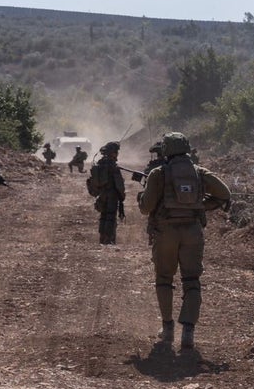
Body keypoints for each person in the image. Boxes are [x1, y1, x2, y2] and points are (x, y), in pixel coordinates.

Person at [137, 132, 231, 350]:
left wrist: (141, 197)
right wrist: (199, 206)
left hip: (166, 232)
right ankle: (188, 331)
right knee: (192, 280)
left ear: (166, 149)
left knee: (164, 279)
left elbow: (146, 208)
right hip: (192, 232)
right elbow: (224, 194)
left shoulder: (158, 173)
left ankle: (168, 328)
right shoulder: (199, 173)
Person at [89, 141, 126, 244]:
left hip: (101, 195)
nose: (117, 154)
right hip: (112, 195)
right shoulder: (113, 166)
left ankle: (102, 237)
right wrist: (122, 196)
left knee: (103, 216)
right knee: (110, 217)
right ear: (113, 153)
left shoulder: (100, 164)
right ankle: (109, 239)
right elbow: (119, 184)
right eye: (116, 152)